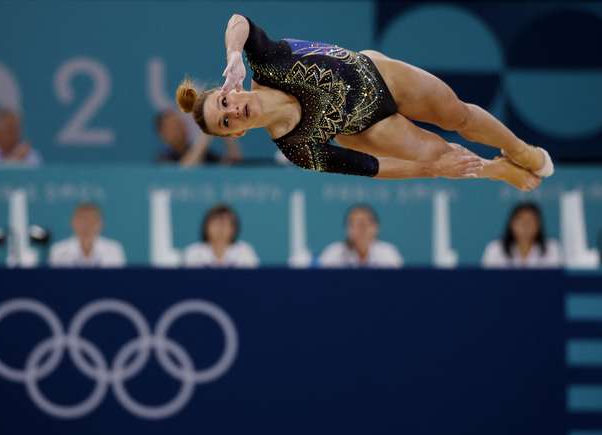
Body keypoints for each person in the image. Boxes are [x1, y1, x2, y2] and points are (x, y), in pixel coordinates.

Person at [176, 14, 555, 191]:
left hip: (378, 73)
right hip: (366, 128)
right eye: (226, 122)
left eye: (223, 103)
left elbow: (237, 19)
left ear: (232, 89)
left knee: (456, 114)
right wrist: (433, 169)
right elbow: (372, 167)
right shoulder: (297, 148)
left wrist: (232, 55)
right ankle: (495, 170)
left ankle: (521, 150)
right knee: (438, 156)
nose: (232, 111)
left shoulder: (265, 61)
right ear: (237, 134)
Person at [318, 204, 403, 268]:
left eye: (365, 224)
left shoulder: (388, 253)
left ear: (376, 227)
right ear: (347, 228)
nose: (361, 229)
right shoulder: (333, 253)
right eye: (355, 224)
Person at [481, 202, 562, 268]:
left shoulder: (552, 248)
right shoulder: (495, 249)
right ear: (511, 224)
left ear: (539, 225)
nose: (525, 225)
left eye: (530, 221)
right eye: (521, 220)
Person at [48, 203, 126, 267]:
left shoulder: (114, 250)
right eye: (82, 220)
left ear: (100, 224)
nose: (87, 225)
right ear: (73, 222)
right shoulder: (58, 251)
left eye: (92, 221)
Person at [155, 109, 242, 166]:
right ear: (162, 133)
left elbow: (232, 163)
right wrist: (207, 129)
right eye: (172, 126)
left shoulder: (204, 154)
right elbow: (182, 174)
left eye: (180, 124)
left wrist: (224, 127)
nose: (179, 129)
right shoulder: (163, 159)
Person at [183, 204, 259, 267]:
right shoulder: (194, 252)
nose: (220, 229)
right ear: (206, 227)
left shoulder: (244, 251)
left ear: (234, 228)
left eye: (225, 224)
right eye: (216, 224)